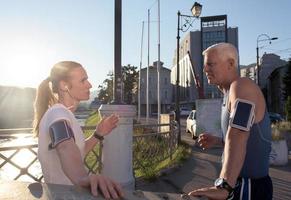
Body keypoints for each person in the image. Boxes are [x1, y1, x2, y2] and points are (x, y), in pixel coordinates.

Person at [189, 43, 273, 200]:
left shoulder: (242, 87)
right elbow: (246, 137)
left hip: (248, 187)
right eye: (205, 65)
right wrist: (218, 141)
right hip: (240, 184)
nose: (205, 69)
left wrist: (224, 186)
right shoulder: (228, 94)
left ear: (231, 64)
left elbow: (239, 134)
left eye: (210, 64)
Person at [33, 61, 123, 199]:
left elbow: (77, 151)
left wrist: (98, 134)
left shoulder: (64, 115)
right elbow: (64, 146)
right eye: (83, 80)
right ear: (65, 85)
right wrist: (82, 178)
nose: (90, 85)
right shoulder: (57, 112)